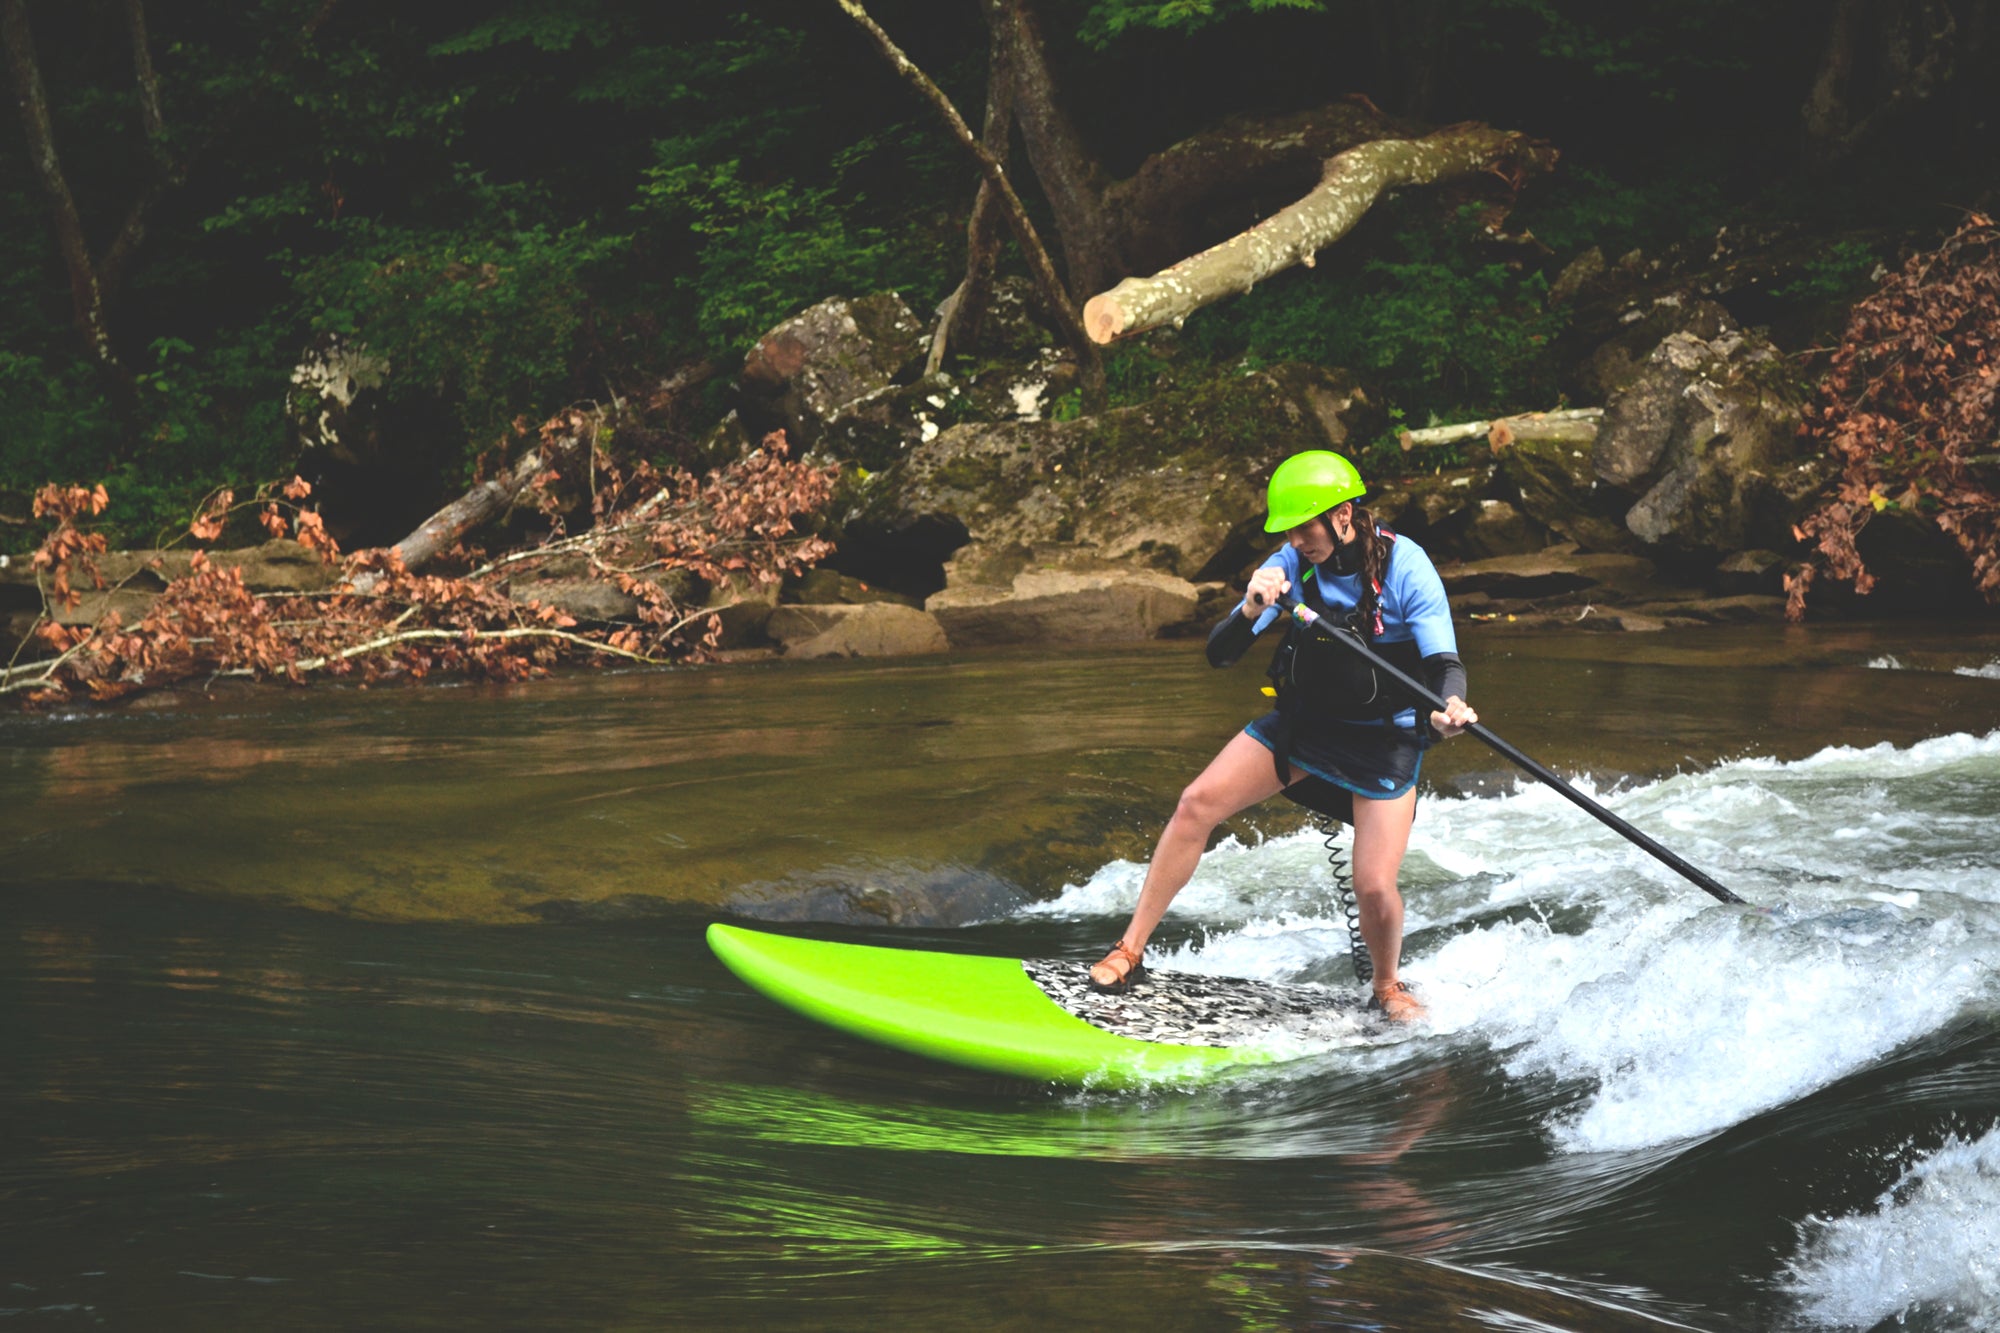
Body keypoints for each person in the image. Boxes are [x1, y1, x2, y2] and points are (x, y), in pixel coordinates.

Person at [1087, 449, 1477, 1022]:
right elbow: (1220, 655)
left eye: (1304, 527)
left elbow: (1444, 662)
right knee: (1195, 804)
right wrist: (1249, 609)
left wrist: (1450, 707)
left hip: (1384, 738)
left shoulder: (1405, 566)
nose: (1296, 541)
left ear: (1343, 515)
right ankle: (1130, 950)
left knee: (1372, 885)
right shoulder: (1292, 565)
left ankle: (1388, 985)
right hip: (1307, 725)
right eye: (1288, 531)